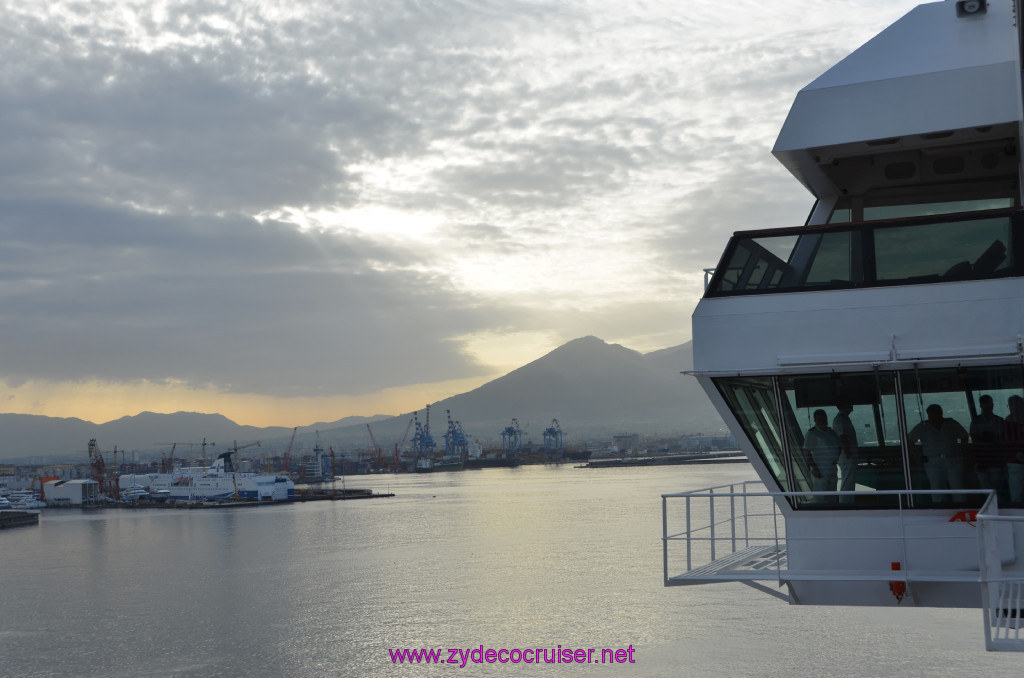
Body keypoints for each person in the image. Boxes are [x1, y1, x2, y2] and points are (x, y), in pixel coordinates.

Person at [907, 404, 969, 505]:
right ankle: (940, 509)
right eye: (930, 415)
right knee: (937, 489)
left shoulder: (951, 424)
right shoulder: (923, 426)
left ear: (940, 413)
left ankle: (961, 508)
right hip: (933, 461)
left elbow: (964, 436)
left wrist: (962, 451)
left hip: (952, 459)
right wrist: (917, 456)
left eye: (934, 414)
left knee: (957, 487)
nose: (932, 417)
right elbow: (909, 440)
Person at [970, 394, 1005, 500]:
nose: (989, 406)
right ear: (981, 405)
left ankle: (1000, 508)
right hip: (981, 459)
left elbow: (1002, 439)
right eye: (986, 404)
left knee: (997, 487)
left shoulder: (999, 420)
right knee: (985, 488)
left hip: (996, 459)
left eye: (990, 403)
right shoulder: (976, 422)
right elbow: (974, 440)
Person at [802, 409, 841, 502]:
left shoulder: (831, 432)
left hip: (832, 467)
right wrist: (814, 468)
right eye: (819, 420)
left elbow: (839, 446)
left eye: (824, 419)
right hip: (820, 469)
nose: (822, 422)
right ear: (815, 421)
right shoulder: (812, 434)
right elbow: (806, 452)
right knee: (821, 497)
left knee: (832, 496)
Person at [833, 401, 858, 504]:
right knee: (847, 481)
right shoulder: (840, 419)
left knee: (850, 481)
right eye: (849, 403)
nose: (852, 405)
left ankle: (849, 502)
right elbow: (841, 436)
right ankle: (845, 504)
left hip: (848, 454)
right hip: (846, 455)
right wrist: (848, 453)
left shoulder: (844, 418)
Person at [1004, 395, 1024, 504]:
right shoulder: (1007, 423)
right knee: (1016, 493)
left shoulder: (1006, 423)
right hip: (1014, 463)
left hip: (1013, 463)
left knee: (1016, 493)